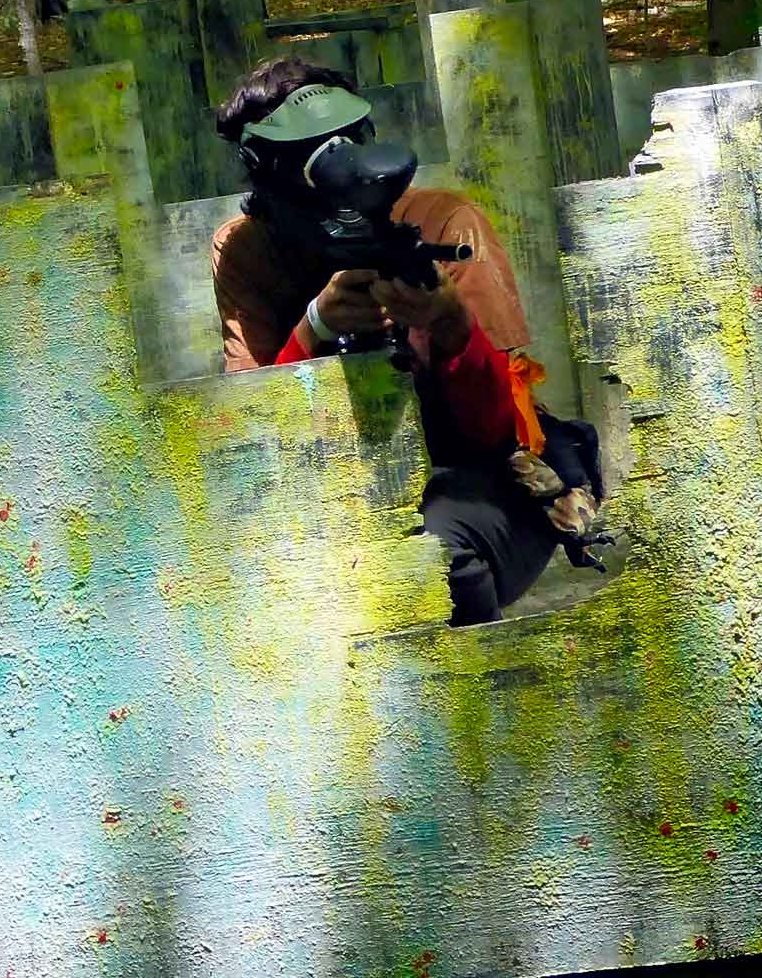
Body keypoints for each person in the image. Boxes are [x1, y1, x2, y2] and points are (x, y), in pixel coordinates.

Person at [210, 58, 605, 625]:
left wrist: (449, 326)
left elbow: (499, 432)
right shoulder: (246, 248)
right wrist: (315, 328)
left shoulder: (444, 224)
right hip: (331, 486)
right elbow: (251, 436)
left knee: (435, 558)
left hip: (488, 482)